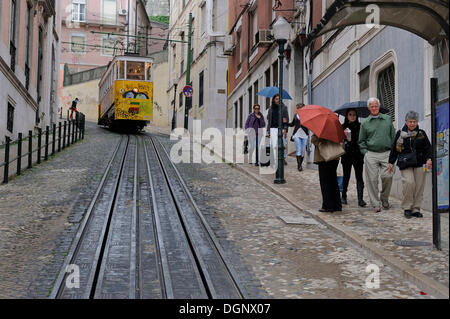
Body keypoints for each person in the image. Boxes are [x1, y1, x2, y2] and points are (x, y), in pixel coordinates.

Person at [388, 111, 432, 219]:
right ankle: (407, 207)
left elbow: (428, 148)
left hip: (419, 162)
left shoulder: (421, 133)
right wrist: (391, 162)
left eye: (414, 122)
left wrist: (429, 159)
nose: (412, 124)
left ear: (417, 122)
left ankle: (416, 209)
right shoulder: (400, 133)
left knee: (419, 186)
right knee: (409, 183)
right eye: (410, 121)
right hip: (405, 162)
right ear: (406, 122)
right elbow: (394, 149)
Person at [358, 97, 396, 212]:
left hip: (387, 153)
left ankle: (384, 198)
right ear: (369, 108)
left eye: (376, 106)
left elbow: (393, 136)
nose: (374, 108)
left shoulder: (388, 119)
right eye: (372, 106)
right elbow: (361, 141)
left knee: (388, 176)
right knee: (372, 180)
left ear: (379, 107)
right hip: (371, 154)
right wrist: (366, 153)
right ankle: (375, 203)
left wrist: (394, 153)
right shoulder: (365, 123)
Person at [341, 108, 367, 207]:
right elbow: (339, 140)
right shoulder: (343, 127)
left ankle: (360, 199)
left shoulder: (361, 127)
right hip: (346, 155)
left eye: (354, 115)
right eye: (350, 115)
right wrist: (344, 138)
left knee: (359, 177)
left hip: (358, 155)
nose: (352, 117)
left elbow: (364, 139)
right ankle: (343, 196)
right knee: (346, 176)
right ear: (347, 116)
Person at [311, 134, 343, 213]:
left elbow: (314, 140)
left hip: (324, 158)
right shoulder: (334, 129)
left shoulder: (320, 130)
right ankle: (337, 204)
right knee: (333, 180)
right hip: (334, 157)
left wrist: (316, 137)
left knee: (325, 182)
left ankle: (327, 205)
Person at [266, 94, 289, 165]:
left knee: (283, 144)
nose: (278, 100)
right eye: (276, 99)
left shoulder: (284, 108)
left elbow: (286, 119)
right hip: (273, 128)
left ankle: (283, 158)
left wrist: (285, 129)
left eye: (279, 99)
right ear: (273, 100)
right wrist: (269, 131)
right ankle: (275, 159)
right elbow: (268, 119)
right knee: (274, 145)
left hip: (281, 128)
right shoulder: (270, 109)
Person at [289, 103, 309, 171]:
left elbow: (309, 125)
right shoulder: (295, 115)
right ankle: (299, 166)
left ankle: (300, 164)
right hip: (296, 134)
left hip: (304, 134)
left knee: (303, 151)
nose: (296, 109)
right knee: (299, 149)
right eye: (296, 108)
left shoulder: (306, 116)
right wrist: (285, 123)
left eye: (297, 108)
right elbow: (292, 124)